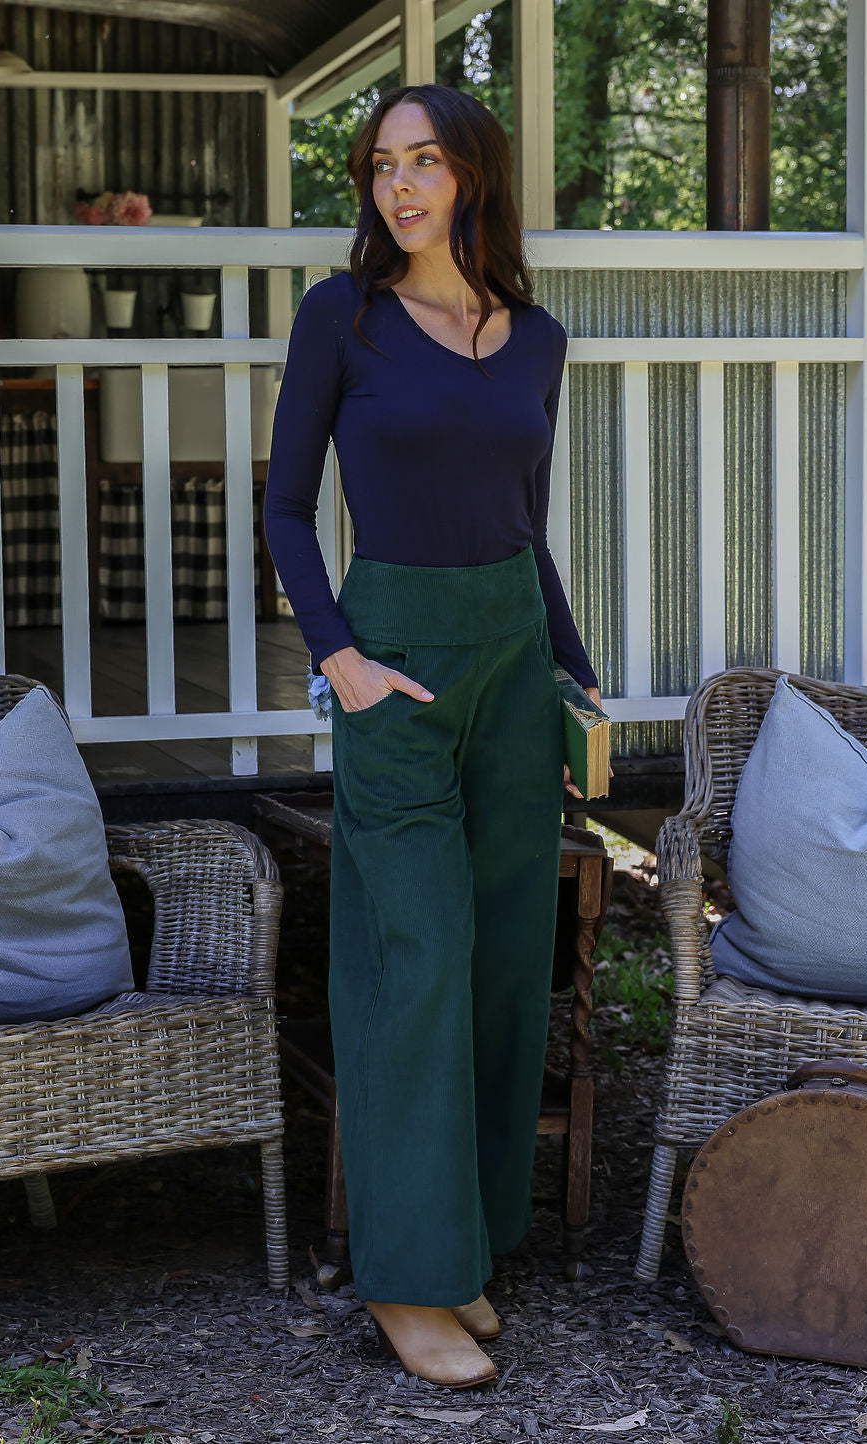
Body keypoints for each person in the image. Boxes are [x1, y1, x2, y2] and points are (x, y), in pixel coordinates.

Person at [264, 82, 603, 1390]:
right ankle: (405, 1280)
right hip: (395, 665)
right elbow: (288, 506)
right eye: (379, 165)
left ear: (473, 176)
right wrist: (338, 657)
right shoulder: (341, 317)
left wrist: (574, 678)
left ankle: (464, 1247)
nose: (397, 186)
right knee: (416, 957)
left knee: (506, 960)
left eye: (424, 162)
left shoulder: (536, 339)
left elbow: (527, 524)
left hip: (513, 664)